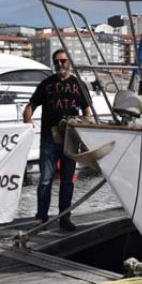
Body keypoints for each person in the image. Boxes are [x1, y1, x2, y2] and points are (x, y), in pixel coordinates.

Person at [23, 49, 91, 232]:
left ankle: (64, 218)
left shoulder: (78, 84)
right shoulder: (46, 84)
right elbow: (31, 105)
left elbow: (86, 111)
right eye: (57, 62)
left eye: (63, 61)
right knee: (45, 179)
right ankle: (41, 218)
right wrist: (27, 124)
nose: (60, 64)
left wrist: (86, 133)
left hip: (71, 138)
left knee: (67, 180)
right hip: (49, 138)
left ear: (69, 62)